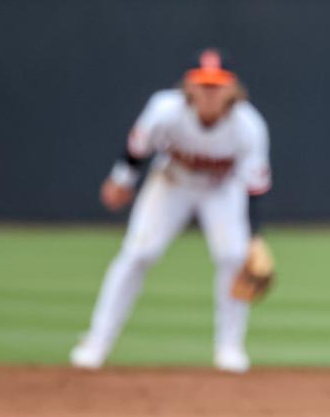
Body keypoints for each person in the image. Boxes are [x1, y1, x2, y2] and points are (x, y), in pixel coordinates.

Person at [71, 50, 272, 373]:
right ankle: (96, 343)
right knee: (138, 252)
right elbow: (137, 149)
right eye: (203, 84)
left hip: (222, 189)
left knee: (234, 257)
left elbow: (255, 187)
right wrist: (121, 180)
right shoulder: (165, 110)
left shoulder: (249, 125)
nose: (209, 93)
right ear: (188, 87)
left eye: (217, 86)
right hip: (172, 182)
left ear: (233, 90)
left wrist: (255, 237)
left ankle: (230, 349)